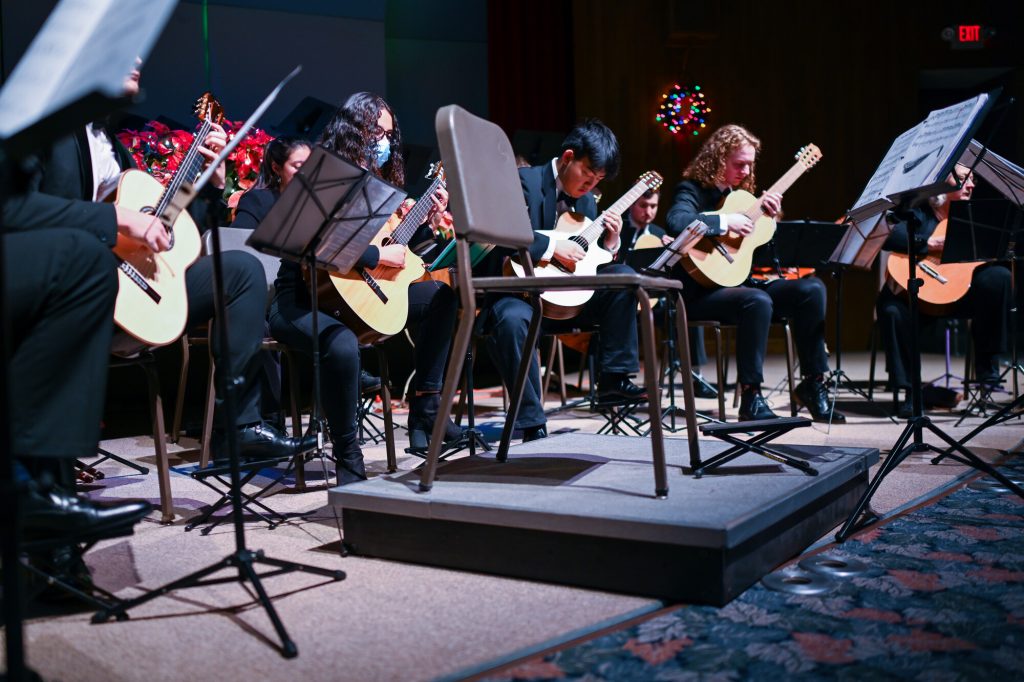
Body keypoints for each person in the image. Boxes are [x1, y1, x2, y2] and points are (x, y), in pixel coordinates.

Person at [4, 62, 314, 464]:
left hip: (129, 287)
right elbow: (17, 211)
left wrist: (208, 186)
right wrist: (117, 218)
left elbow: (169, 232)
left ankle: (239, 426)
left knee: (240, 270)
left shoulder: (116, 151)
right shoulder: (46, 128)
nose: (138, 61)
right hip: (68, 288)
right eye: (126, 50)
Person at [267, 92, 461, 484]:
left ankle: (426, 406)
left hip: (354, 293)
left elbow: (397, 252)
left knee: (445, 296)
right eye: (376, 132)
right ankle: (348, 457)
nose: (384, 141)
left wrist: (422, 223)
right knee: (340, 344)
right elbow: (318, 244)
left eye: (389, 134)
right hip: (301, 299)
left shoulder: (379, 186)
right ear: (353, 130)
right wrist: (375, 257)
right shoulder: (323, 175)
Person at [478, 119, 647, 442]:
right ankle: (530, 422)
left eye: (598, 180)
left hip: (568, 299)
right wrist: (554, 245)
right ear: (568, 157)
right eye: (587, 174)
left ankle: (613, 380)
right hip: (521, 295)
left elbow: (588, 258)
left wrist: (611, 243)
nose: (590, 185)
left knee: (624, 278)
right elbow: (498, 232)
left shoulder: (587, 201)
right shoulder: (522, 181)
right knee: (511, 321)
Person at [665, 124, 845, 423]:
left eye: (750, 164)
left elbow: (751, 255)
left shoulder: (743, 197)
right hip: (699, 292)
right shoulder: (691, 188)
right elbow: (677, 220)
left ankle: (813, 383)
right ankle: (751, 396)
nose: (746, 170)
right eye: (739, 164)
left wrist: (771, 218)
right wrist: (726, 222)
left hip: (739, 282)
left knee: (811, 290)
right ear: (718, 158)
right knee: (757, 301)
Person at [232, 136, 383, 398]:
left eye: (310, 167)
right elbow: (237, 247)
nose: (305, 174)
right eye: (297, 166)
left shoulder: (320, 206)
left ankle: (346, 369)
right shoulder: (257, 201)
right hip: (270, 296)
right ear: (277, 168)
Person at [877, 164, 1011, 417]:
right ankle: (911, 392)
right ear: (940, 185)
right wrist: (928, 243)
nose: (971, 185)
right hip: (919, 296)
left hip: (960, 294)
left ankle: (988, 374)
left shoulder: (975, 218)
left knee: (999, 277)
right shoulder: (918, 213)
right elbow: (886, 237)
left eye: (973, 180)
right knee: (892, 309)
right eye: (962, 179)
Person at [616, 188, 718, 400]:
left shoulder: (659, 232)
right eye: (643, 206)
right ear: (632, 205)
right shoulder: (617, 229)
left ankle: (694, 375)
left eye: (653, 206)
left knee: (684, 308)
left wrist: (671, 250)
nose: (648, 211)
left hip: (654, 299)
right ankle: (621, 380)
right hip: (626, 300)